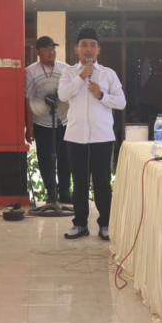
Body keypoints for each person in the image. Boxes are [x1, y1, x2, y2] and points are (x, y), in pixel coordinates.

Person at [58, 27, 126, 240]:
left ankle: (105, 224)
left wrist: (101, 95)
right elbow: (62, 95)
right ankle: (80, 224)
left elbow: (121, 102)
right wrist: (81, 77)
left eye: (93, 45)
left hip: (102, 137)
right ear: (76, 49)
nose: (88, 48)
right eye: (84, 45)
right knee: (79, 183)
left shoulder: (108, 74)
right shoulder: (69, 73)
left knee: (102, 183)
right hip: (75, 136)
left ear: (99, 50)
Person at [25, 36, 72, 203]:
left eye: (53, 49)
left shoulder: (65, 69)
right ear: (38, 52)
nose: (51, 52)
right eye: (47, 49)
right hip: (41, 123)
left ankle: (65, 192)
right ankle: (51, 192)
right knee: (45, 159)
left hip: (64, 121)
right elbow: (28, 101)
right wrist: (29, 128)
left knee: (66, 157)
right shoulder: (30, 71)